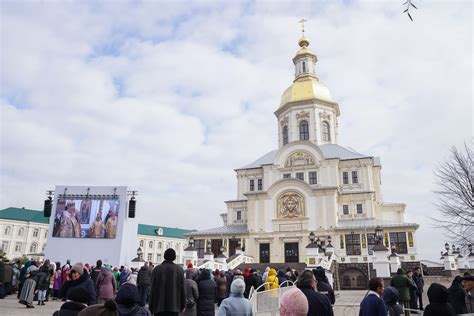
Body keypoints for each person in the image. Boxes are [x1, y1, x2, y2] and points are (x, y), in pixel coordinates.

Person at [148, 248, 186, 316]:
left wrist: (150, 306)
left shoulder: (157, 269)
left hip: (159, 305)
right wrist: (183, 305)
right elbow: (182, 289)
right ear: (174, 257)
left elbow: (152, 288)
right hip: (174, 306)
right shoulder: (179, 270)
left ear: (164, 256)